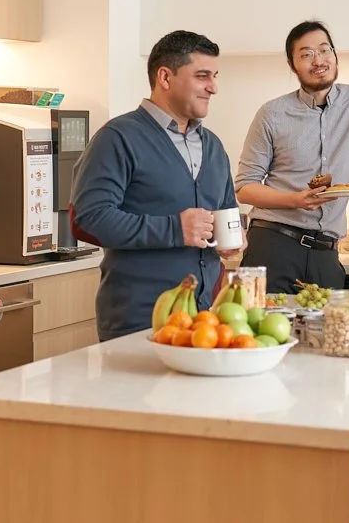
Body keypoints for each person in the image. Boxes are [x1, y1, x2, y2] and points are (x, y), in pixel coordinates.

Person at [71, 30, 239, 341]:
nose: (213, 87)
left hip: (206, 320)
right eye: (202, 75)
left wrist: (233, 238)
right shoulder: (118, 137)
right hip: (140, 320)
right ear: (165, 77)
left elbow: (227, 210)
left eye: (214, 76)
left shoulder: (213, 146)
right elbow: (88, 220)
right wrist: (176, 229)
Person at [234, 21, 349, 292]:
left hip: (326, 252)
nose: (318, 60)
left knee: (326, 334)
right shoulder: (272, 113)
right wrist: (294, 200)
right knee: (262, 333)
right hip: (273, 244)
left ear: (335, 55)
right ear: (292, 64)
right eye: (306, 54)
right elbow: (244, 188)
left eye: (324, 50)